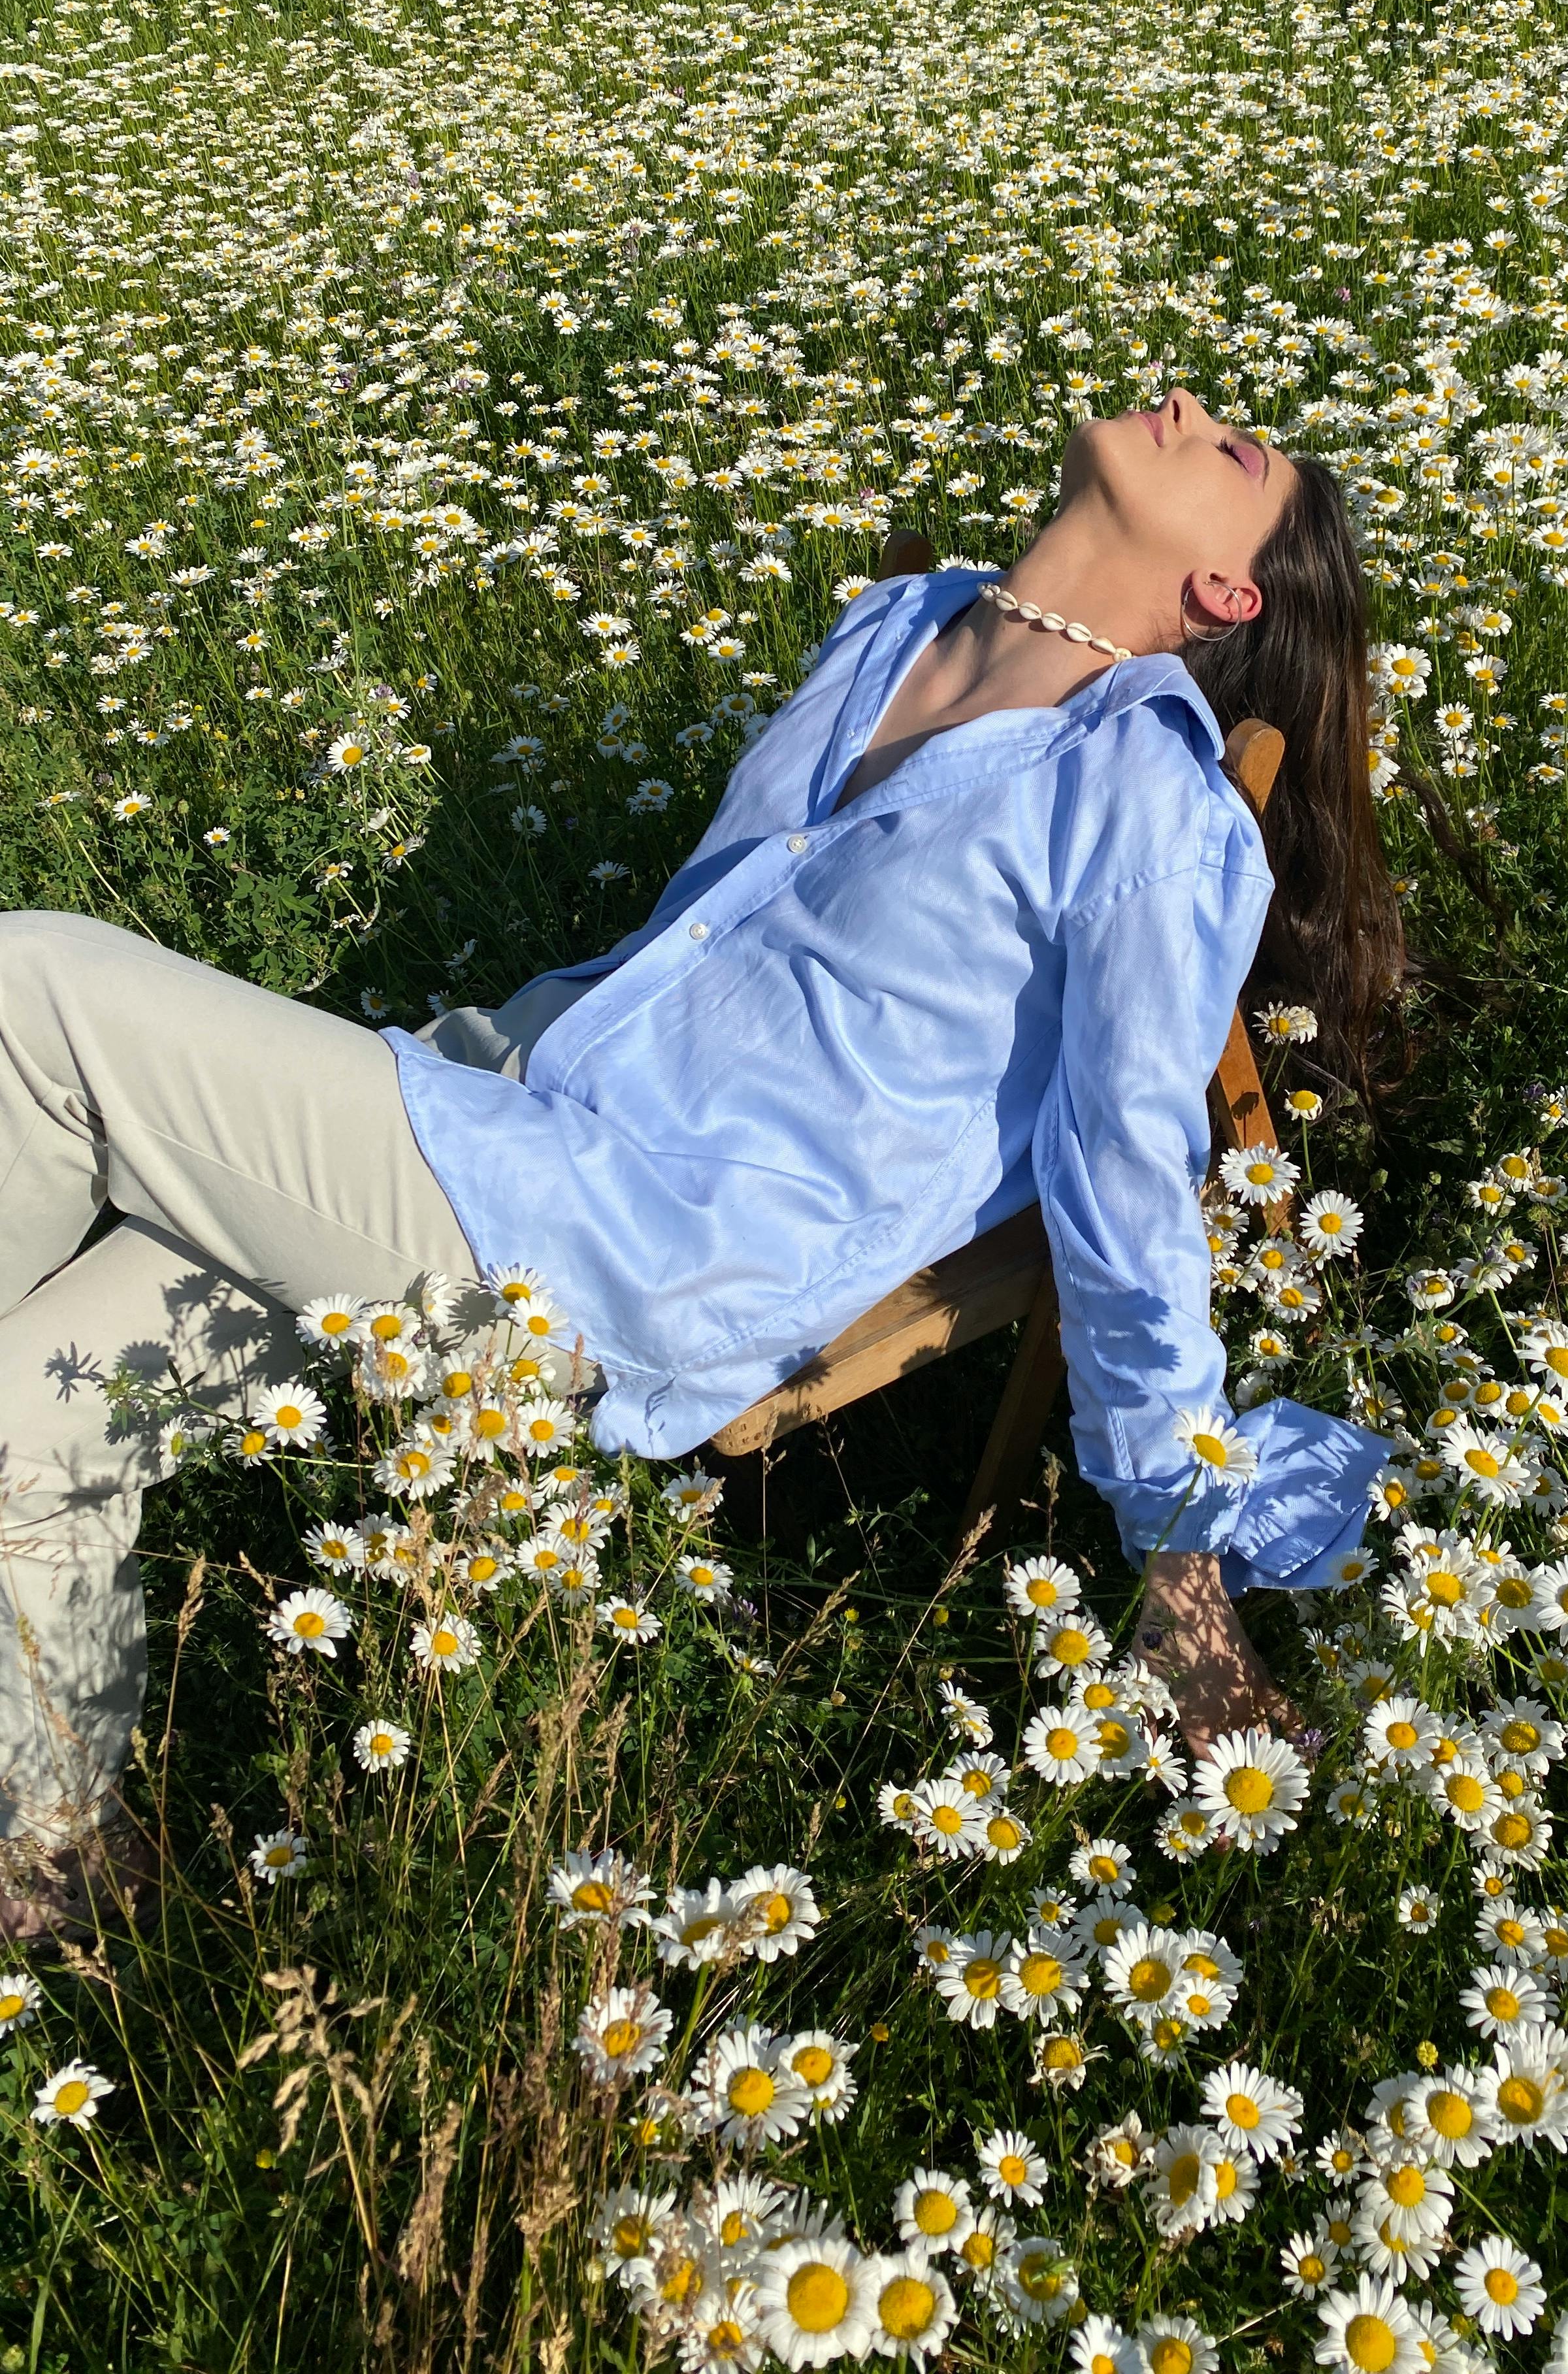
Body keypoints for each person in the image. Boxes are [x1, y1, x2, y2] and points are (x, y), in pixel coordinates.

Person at [0, 385, 1401, 1937]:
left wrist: (1180, 1564)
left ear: (1224, 593)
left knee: (31, 991)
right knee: (19, 1424)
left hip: (619, 1241)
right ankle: (60, 1873)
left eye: (1234, 453)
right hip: (505, 1086)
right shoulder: (901, 625)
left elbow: (1125, 1179)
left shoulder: (1144, 802)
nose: (1190, 406)